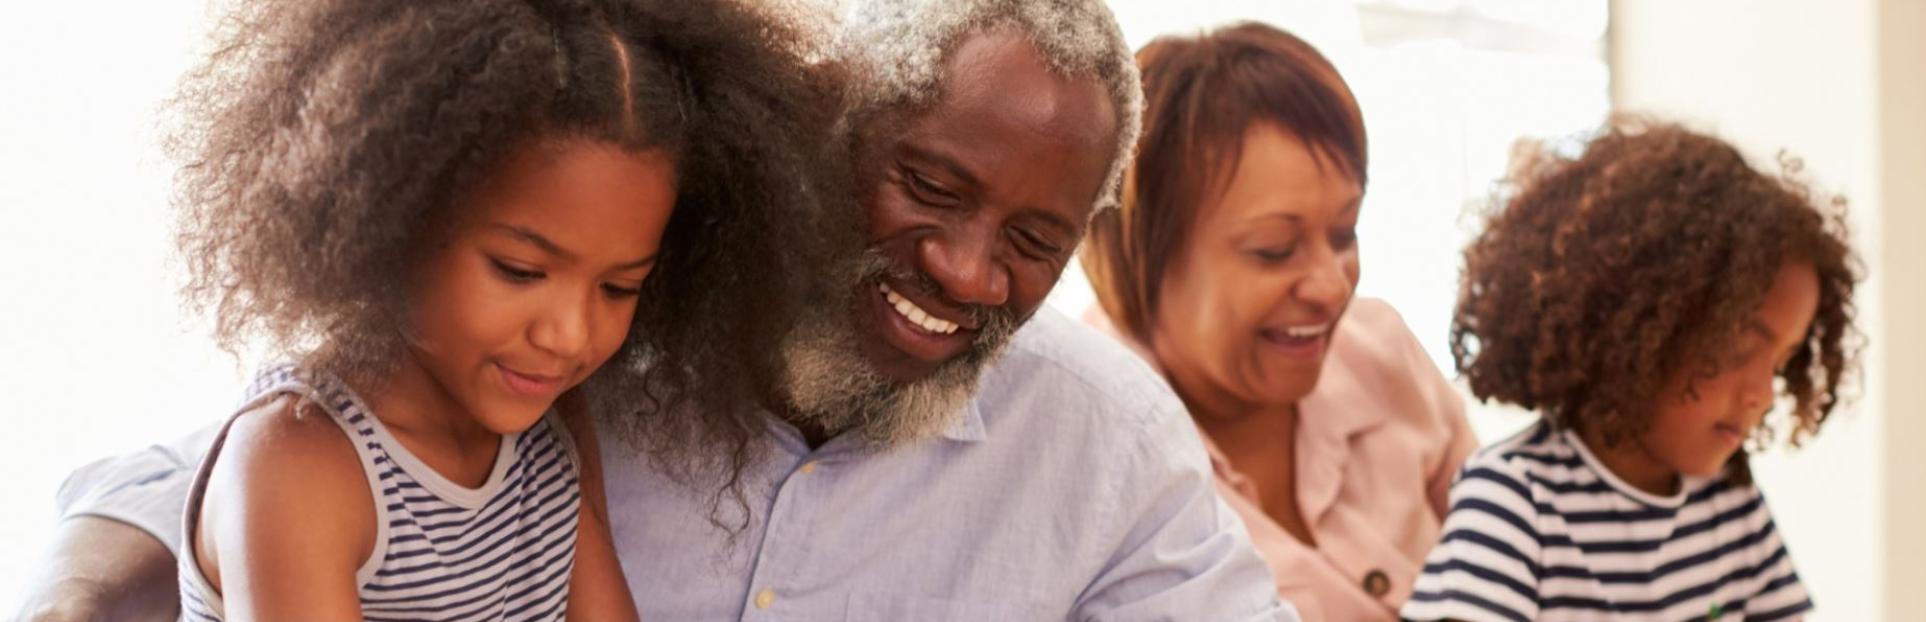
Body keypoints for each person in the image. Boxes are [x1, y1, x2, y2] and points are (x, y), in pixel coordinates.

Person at [18, 1, 1295, 620]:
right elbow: (227, 464)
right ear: (814, 127)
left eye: (1033, 239)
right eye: (928, 185)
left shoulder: (1104, 439)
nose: (968, 272)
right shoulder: (591, 325)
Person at [1079, 22, 1477, 620]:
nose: (1331, 284)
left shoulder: (1381, 351)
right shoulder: (1085, 448)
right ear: (1140, 254)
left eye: (1344, 233)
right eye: (1273, 249)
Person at [1401, 121, 1859, 622]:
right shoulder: (1514, 502)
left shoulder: (1729, 501)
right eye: (1738, 349)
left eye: (1781, 364)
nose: (1762, 395)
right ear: (1640, 326)